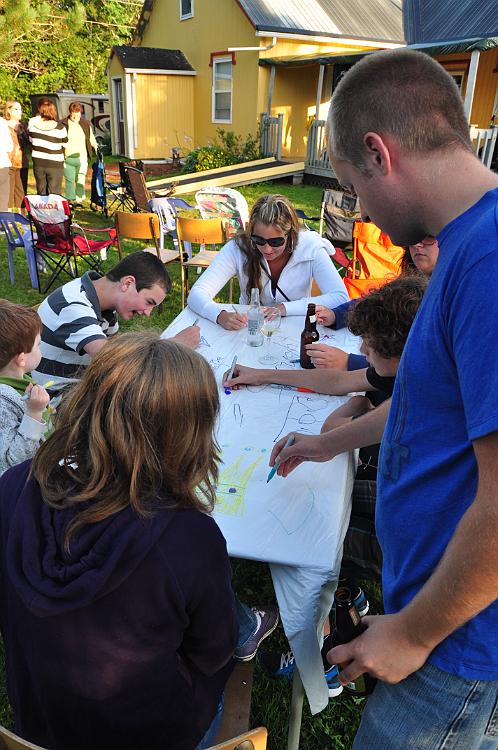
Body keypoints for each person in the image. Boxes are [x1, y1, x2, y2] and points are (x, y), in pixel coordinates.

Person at [272, 48, 498, 749]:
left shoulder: (488, 261)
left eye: (352, 186)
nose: (360, 209)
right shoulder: (465, 246)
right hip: (436, 609)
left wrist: (414, 633)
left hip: (457, 640)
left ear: (379, 152)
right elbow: (431, 405)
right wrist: (326, 442)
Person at [0, 332, 239, 750]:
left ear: (86, 403)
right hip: (148, 734)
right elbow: (215, 649)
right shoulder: (188, 538)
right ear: (189, 433)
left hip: (39, 720)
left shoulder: (15, 485)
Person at [32, 251, 200, 388]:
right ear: (127, 283)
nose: (148, 313)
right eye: (149, 302)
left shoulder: (105, 304)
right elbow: (114, 360)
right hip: (55, 400)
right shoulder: (73, 305)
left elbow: (118, 351)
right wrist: (174, 346)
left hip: (83, 385)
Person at [187, 193, 348, 329]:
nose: (267, 249)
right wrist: (219, 315)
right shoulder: (238, 248)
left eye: (276, 242)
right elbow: (197, 293)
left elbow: (340, 297)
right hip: (250, 330)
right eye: (258, 240)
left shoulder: (311, 247)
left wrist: (285, 308)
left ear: (291, 235)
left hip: (296, 329)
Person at [308, 235, 439, 370]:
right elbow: (380, 301)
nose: (417, 244)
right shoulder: (414, 276)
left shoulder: (445, 295)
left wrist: (350, 362)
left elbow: (421, 363)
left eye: (429, 238)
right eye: (413, 237)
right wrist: (336, 315)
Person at [0, 300, 50, 477]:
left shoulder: (19, 381)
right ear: (21, 359)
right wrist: (34, 414)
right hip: (20, 484)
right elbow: (11, 462)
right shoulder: (3, 402)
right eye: (38, 345)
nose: (40, 349)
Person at [61, 101, 98, 207]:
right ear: (70, 112)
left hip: (82, 157)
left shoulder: (85, 124)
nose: (76, 117)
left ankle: (79, 200)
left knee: (80, 179)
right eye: (74, 115)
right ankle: (70, 200)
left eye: (78, 115)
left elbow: (91, 138)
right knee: (69, 180)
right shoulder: (63, 124)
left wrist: (96, 147)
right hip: (67, 158)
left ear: (81, 113)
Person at [28, 97, 68, 195]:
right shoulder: (60, 128)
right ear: (53, 112)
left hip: (38, 163)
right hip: (55, 163)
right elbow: (65, 144)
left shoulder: (33, 128)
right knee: (54, 193)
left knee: (41, 191)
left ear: (40, 111)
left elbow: (31, 142)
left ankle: (41, 205)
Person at [4, 100, 29, 211]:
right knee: (7, 192)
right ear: (9, 110)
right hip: (7, 163)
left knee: (21, 193)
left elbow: (28, 143)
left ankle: (22, 216)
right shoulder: (3, 125)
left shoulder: (23, 126)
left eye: (20, 109)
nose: (20, 111)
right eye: (16, 109)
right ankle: (7, 216)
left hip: (22, 163)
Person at [0, 113, 13, 212]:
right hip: (2, 163)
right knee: (3, 196)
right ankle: (3, 219)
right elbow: (9, 147)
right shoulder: (2, 122)